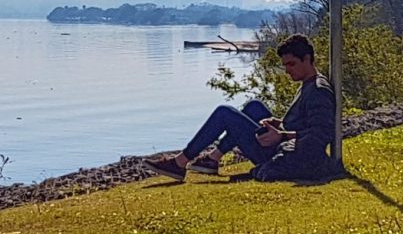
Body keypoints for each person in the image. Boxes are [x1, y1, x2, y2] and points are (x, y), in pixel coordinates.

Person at [144, 34, 343, 182]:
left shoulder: (318, 91)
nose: (287, 70)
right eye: (285, 65)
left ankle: (180, 163)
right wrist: (279, 124)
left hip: (288, 154)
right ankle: (213, 159)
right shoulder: (309, 84)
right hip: (286, 145)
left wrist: (280, 136)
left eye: (291, 64)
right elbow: (303, 121)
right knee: (254, 107)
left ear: (307, 59)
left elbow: (321, 133)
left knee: (225, 113)